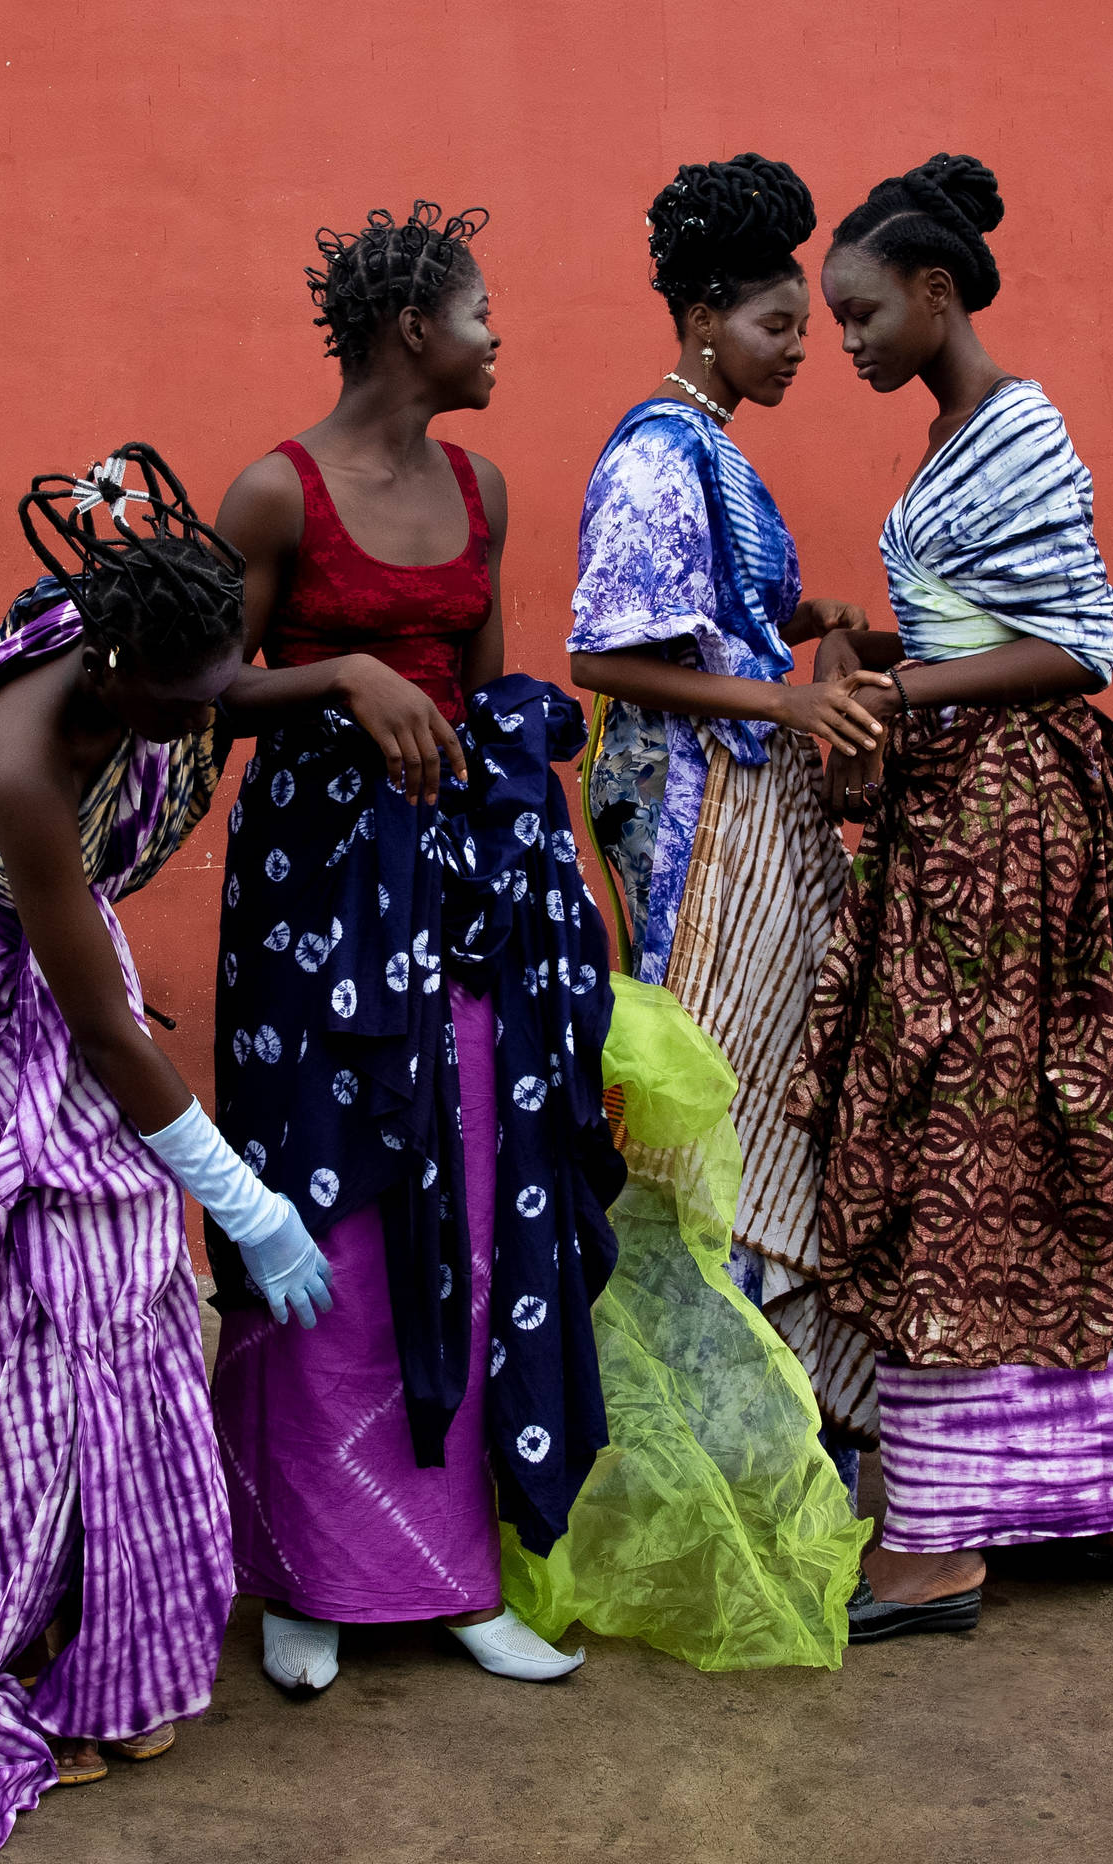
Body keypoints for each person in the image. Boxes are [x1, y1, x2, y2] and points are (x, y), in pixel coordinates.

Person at [0, 448, 367, 1864]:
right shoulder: (25, 766)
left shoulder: (155, 655)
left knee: (104, 1272)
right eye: (188, 708)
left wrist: (353, 671)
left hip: (43, 961)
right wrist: (240, 1200)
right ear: (114, 674)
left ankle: (101, 1607)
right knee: (59, 1267)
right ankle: (43, 1629)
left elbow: (224, 684)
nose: (209, 724)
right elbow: (107, 1037)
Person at [209, 203, 624, 1693]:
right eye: (482, 314)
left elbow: (494, 698)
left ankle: (454, 1571)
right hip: (315, 902)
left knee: (470, 1197)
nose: (499, 337)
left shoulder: (482, 483)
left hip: (461, 903)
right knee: (329, 1206)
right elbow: (195, 684)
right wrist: (340, 671)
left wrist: (555, 896)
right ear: (411, 331)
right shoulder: (275, 493)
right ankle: (308, 1567)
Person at [786, 154, 1113, 1643]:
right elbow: (983, 620)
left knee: (958, 1136)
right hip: (979, 805)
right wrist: (870, 638)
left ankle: (942, 1538)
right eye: (833, 319)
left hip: (1004, 828)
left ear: (937, 291)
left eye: (861, 311)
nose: (846, 342)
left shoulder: (1018, 426)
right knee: (1020, 1138)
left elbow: (1083, 643)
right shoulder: (957, 431)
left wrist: (904, 689)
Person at [506, 153, 883, 1672]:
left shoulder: (712, 448)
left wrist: (817, 623)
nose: (803, 345)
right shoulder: (659, 452)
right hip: (695, 835)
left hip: (743, 806)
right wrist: (788, 700)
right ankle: (687, 1463)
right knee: (700, 1138)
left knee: (753, 1128)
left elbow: (720, 603)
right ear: (706, 319)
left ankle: (762, 1442)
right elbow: (611, 656)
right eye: (780, 322)